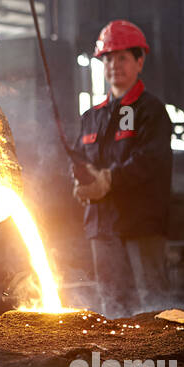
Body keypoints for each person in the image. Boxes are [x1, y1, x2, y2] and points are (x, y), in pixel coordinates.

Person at [71, 20, 173, 318]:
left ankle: (158, 363)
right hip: (102, 230)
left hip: (141, 228)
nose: (115, 65)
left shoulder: (151, 111)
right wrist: (80, 180)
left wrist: (110, 179)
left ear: (140, 62)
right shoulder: (92, 117)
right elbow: (77, 158)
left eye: (123, 58)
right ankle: (118, 364)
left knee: (152, 308)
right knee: (112, 307)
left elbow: (150, 160)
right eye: (109, 59)